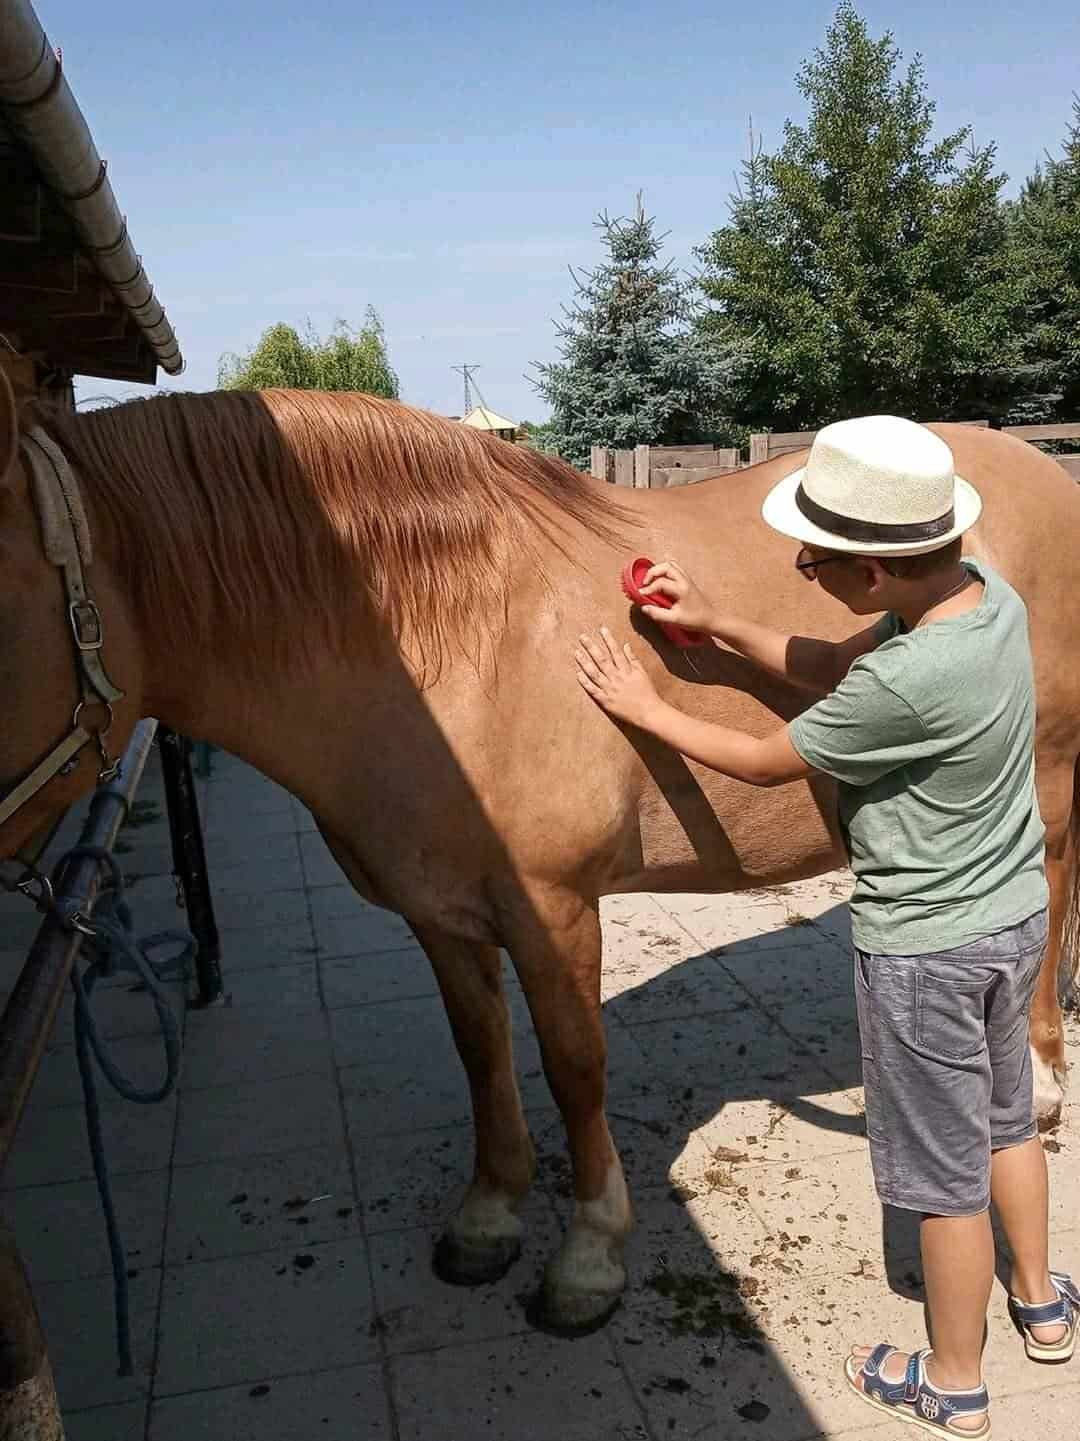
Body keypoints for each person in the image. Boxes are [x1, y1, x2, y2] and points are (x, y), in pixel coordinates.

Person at [574, 415, 1076, 1438]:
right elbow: (818, 656)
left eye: (818, 556)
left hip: (925, 950)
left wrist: (645, 703)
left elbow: (763, 760)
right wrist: (713, 622)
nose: (797, 564)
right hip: (1013, 917)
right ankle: (1044, 1303)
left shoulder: (897, 683)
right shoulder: (989, 603)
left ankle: (953, 1376)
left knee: (940, 1184)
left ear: (880, 576)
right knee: (1007, 1122)